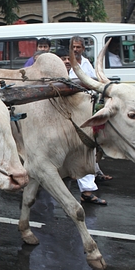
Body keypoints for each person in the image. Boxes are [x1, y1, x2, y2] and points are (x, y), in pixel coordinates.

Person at [56, 46, 107, 205]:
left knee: (85, 153)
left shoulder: (82, 76)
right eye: (62, 59)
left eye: (67, 58)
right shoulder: (47, 77)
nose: (66, 61)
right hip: (55, 126)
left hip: (78, 124)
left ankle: (87, 192)